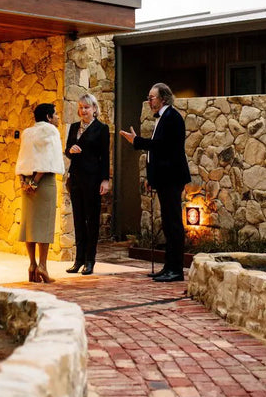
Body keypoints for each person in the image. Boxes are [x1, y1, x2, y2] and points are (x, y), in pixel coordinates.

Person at [119, 82, 191, 282]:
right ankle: (168, 267)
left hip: (172, 178)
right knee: (168, 224)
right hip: (164, 178)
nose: (149, 101)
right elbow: (155, 155)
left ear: (164, 98)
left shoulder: (172, 118)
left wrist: (137, 141)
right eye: (149, 97)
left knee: (173, 223)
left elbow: (162, 147)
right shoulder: (163, 118)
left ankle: (175, 270)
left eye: (152, 97)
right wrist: (152, 179)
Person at [15, 102, 66, 283]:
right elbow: (47, 159)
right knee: (44, 225)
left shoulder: (27, 133)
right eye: (56, 114)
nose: (58, 118)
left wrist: (24, 182)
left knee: (30, 225)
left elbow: (23, 159)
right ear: (48, 117)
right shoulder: (51, 131)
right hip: (43, 183)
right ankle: (43, 267)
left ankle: (32, 265)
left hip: (26, 182)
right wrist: (36, 182)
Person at [64, 93, 111, 275]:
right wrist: (70, 149)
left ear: (94, 109)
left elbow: (105, 156)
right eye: (81, 107)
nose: (83, 111)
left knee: (91, 220)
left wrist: (105, 179)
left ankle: (90, 260)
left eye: (86, 107)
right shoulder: (74, 127)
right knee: (78, 219)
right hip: (75, 178)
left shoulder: (101, 128)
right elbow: (67, 150)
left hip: (92, 179)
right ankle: (78, 260)